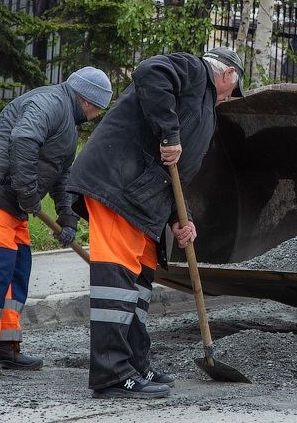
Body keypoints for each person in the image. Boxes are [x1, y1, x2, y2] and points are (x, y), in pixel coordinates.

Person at [64, 47, 244, 399]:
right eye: (231, 92)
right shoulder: (193, 70)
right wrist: (169, 134)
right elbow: (149, 71)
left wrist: (182, 219)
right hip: (118, 187)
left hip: (142, 198)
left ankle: (134, 364)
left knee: (142, 276)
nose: (227, 99)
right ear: (227, 75)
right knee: (117, 279)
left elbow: (177, 173)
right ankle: (111, 374)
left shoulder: (202, 99)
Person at [0, 66, 113, 378]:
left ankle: (3, 345)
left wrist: (67, 218)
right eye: (98, 110)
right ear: (89, 102)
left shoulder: (68, 124)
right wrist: (27, 192)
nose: (96, 116)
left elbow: (62, 176)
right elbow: (23, 138)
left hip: (14, 206)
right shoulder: (49, 103)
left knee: (16, 270)